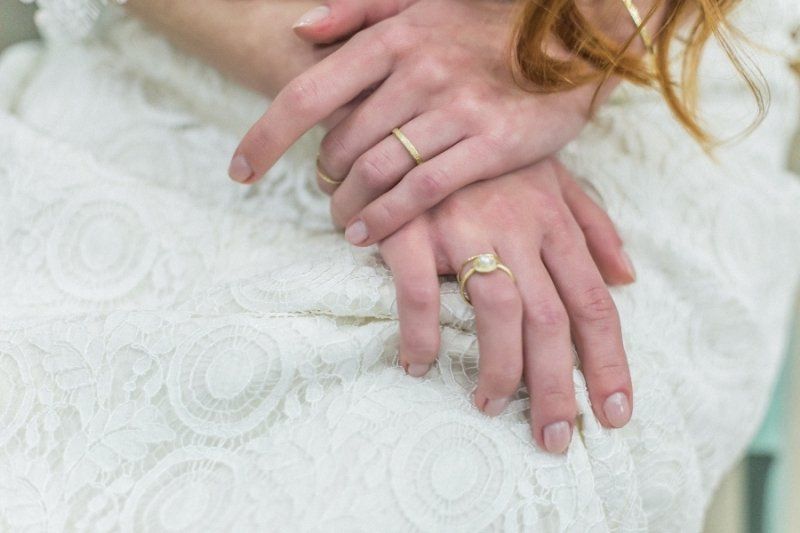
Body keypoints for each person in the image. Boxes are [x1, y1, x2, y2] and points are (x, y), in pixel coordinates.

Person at [0, 0, 797, 530]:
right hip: (202, 39)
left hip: (641, 81)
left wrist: (554, 55)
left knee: (476, 476)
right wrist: (406, 109)